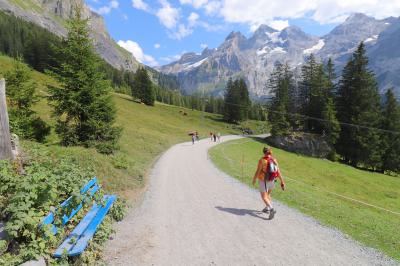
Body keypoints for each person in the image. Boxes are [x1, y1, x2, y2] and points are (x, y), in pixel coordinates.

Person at [252, 147, 285, 219]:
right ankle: (267, 208)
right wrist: (282, 181)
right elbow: (278, 172)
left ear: (263, 152)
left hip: (264, 181)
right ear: (270, 152)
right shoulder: (274, 160)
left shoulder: (262, 160)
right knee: (268, 194)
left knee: (264, 196)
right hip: (272, 180)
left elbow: (258, 171)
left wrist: (254, 179)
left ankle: (271, 209)